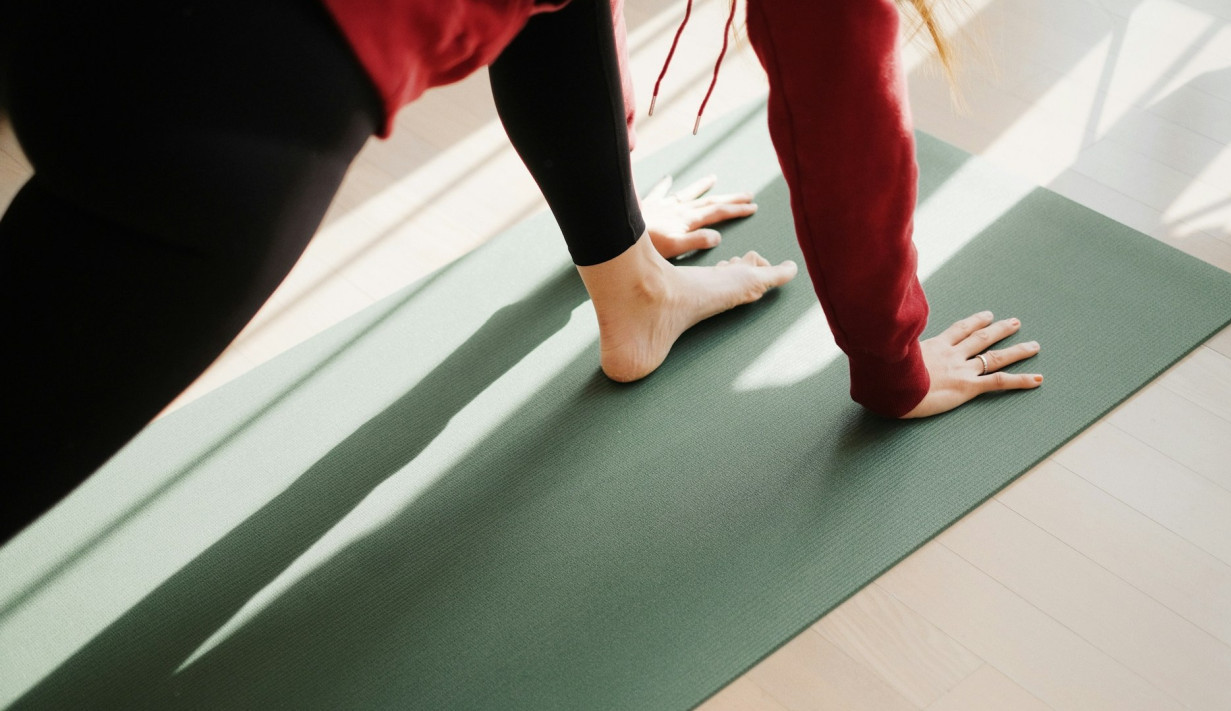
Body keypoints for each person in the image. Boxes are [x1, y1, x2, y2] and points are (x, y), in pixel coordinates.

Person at [0, 0, 1038, 542]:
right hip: (218, 102)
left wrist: (615, 229)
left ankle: (630, 290)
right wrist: (892, 360)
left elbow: (548, 14)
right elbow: (841, 108)